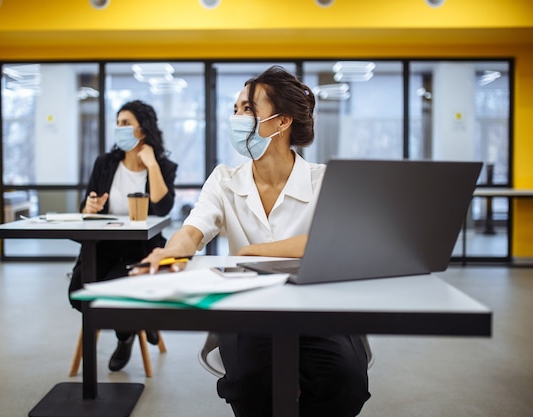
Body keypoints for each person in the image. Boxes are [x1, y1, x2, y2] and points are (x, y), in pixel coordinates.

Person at [131, 66, 370, 416]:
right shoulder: (225, 180)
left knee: (344, 379)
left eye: (248, 109)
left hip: (317, 308)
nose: (237, 118)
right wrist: (168, 252)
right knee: (250, 381)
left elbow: (331, 243)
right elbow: (193, 231)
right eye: (236, 110)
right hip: (249, 308)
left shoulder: (323, 180)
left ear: (282, 121)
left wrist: (252, 251)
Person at [68, 100, 177, 372]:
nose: (120, 129)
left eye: (126, 123)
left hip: (141, 248)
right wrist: (88, 207)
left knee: (119, 292)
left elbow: (163, 207)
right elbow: (87, 203)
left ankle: (125, 335)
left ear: (143, 130)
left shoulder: (163, 166)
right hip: (103, 244)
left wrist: (151, 165)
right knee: (78, 293)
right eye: (117, 123)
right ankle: (141, 321)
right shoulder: (105, 163)